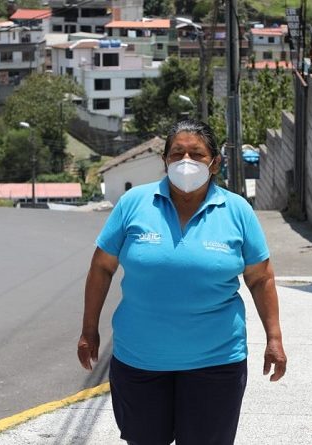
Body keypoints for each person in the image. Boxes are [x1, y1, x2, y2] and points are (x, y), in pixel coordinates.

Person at [77, 119, 287, 445]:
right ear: (165, 160)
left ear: (214, 163)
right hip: (139, 362)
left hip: (216, 363)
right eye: (177, 154)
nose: (186, 162)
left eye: (196, 154)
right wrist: (89, 328)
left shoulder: (237, 211)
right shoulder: (134, 204)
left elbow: (261, 279)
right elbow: (101, 267)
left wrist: (274, 338)